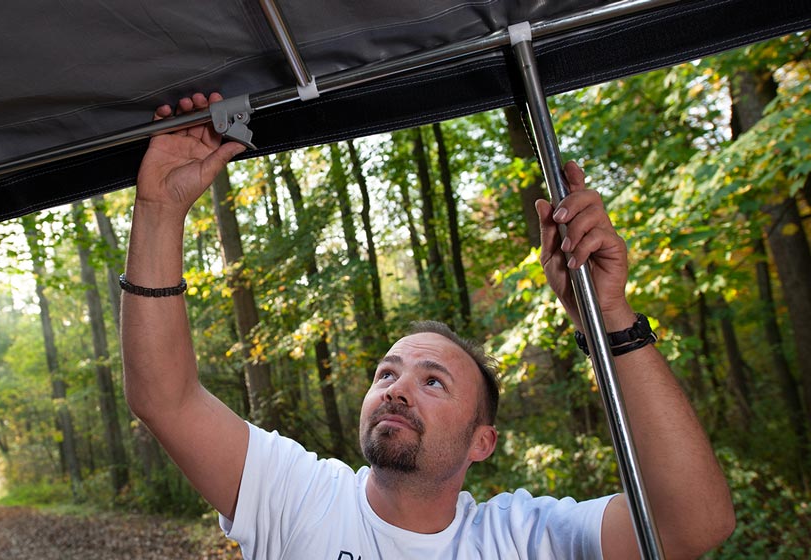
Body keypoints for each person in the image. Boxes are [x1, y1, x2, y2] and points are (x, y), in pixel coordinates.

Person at [121, 92, 735, 559]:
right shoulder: (298, 494)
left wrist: (612, 318)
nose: (396, 387)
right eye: (387, 371)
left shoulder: (521, 538)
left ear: (481, 443)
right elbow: (164, 398)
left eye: (434, 382)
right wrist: (158, 210)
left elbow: (694, 522)